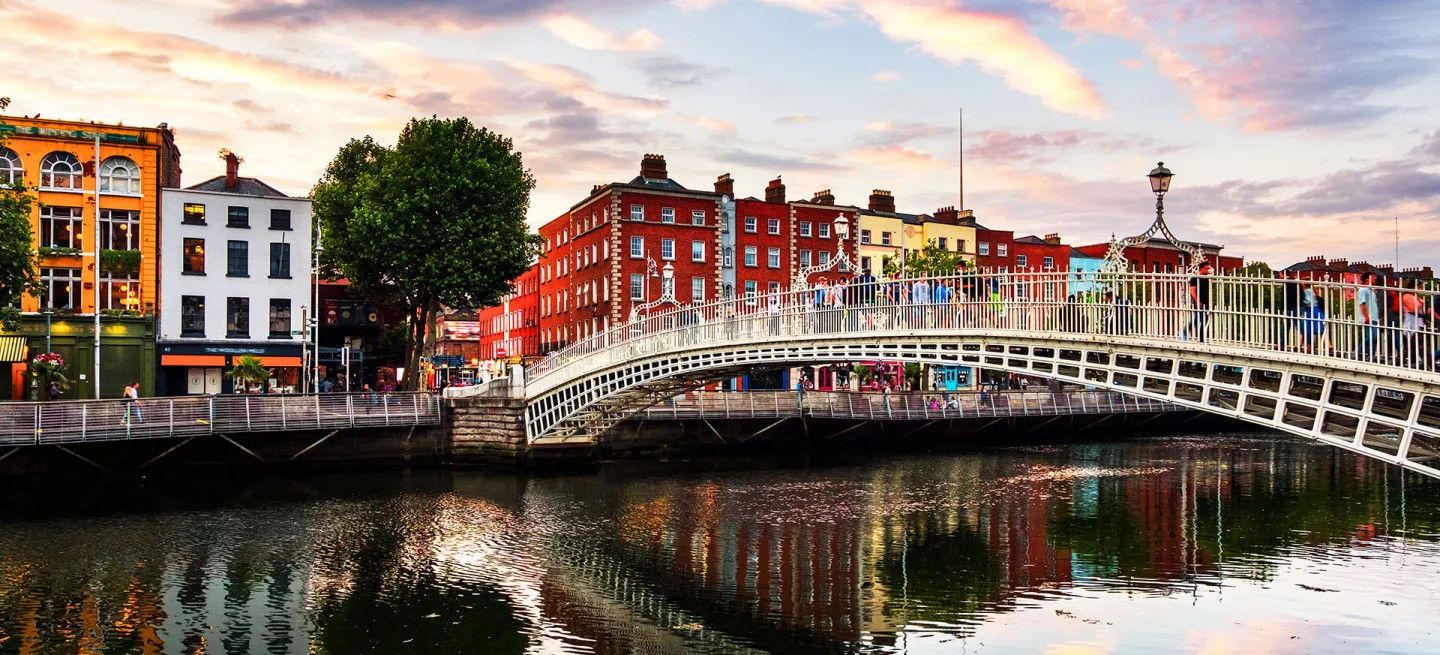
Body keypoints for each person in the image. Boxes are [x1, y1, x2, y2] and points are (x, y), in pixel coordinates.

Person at [1183, 261, 1213, 342]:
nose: (1208, 270)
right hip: (1199, 302)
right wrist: (1197, 301)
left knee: (1204, 320)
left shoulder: (1207, 278)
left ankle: (1202, 338)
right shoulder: (1195, 278)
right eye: (1207, 268)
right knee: (1198, 319)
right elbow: (1192, 290)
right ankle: (1185, 331)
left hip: (1206, 302)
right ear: (1202, 268)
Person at [1356, 272, 1381, 361]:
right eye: (1373, 276)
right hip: (1368, 318)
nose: (1375, 278)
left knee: (1374, 338)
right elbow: (1362, 304)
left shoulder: (1371, 291)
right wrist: (1366, 317)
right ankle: (1358, 351)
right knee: (1372, 336)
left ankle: (1371, 356)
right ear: (1367, 279)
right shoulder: (1363, 290)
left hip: (1374, 318)